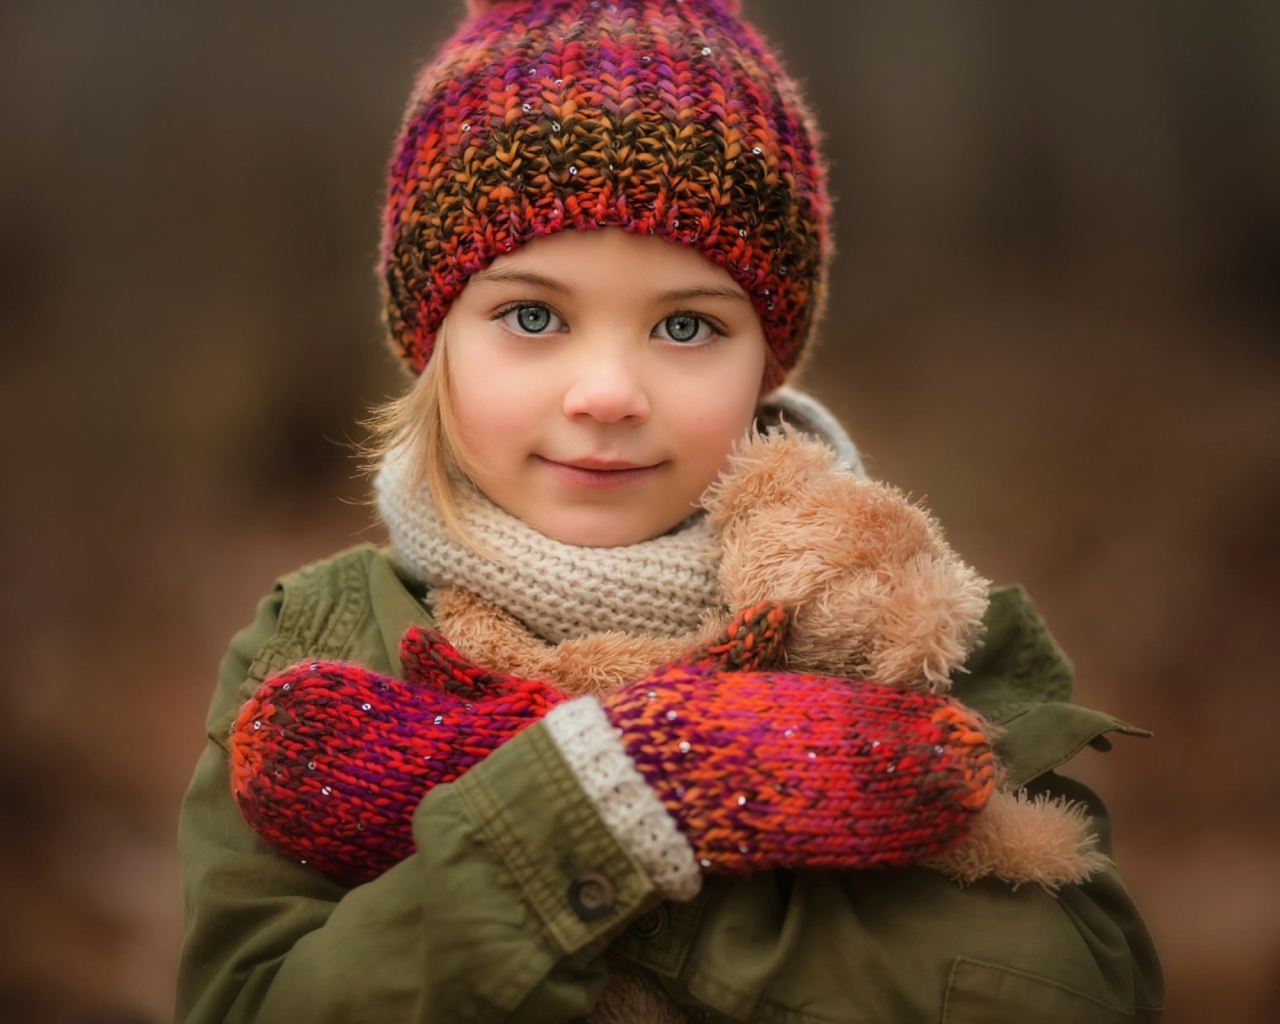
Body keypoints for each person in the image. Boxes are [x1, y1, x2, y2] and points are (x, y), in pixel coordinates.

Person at [176, 0, 1165, 1020]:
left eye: (685, 325)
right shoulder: (320, 646)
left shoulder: (897, 628)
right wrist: (605, 800)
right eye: (530, 316)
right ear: (434, 343)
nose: (607, 392)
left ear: (763, 364)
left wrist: (671, 801)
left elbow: (1077, 985)